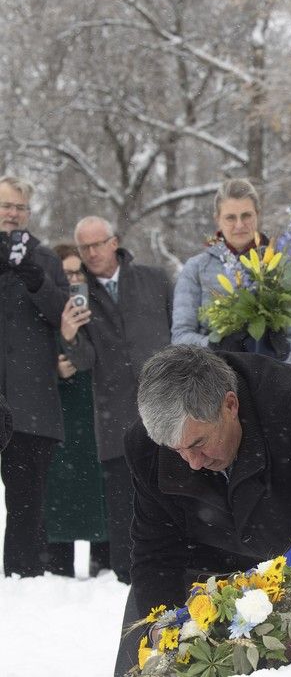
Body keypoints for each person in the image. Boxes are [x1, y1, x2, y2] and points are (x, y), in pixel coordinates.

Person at [115, 345, 291, 675]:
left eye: (197, 444)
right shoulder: (146, 445)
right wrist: (158, 625)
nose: (191, 462)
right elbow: (156, 552)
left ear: (230, 405)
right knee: (161, 636)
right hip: (215, 521)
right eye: (176, 450)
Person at [58, 217, 174, 583]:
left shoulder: (154, 279)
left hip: (165, 402)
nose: (92, 253)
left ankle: (180, 561)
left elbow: (179, 332)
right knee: (123, 499)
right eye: (84, 248)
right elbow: (85, 361)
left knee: (174, 487)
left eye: (98, 244)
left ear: (115, 242)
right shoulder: (78, 293)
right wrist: (70, 335)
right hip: (113, 409)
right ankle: (128, 574)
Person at [0, 175, 68, 577]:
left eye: (19, 208)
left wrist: (39, 283)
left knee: (26, 499)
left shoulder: (44, 259)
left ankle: (23, 575)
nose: (12, 214)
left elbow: (67, 316)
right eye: (6, 206)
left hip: (29, 401)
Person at [171, 178, 291, 362]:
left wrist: (285, 350)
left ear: (257, 214)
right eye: (230, 217)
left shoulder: (281, 266)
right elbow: (179, 339)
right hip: (216, 381)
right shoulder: (197, 268)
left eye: (246, 215)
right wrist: (213, 346)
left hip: (269, 379)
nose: (240, 225)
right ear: (217, 219)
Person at [44, 243, 109, 578]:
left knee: (101, 490)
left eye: (77, 272)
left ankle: (105, 567)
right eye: (65, 273)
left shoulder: (100, 307)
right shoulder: (43, 306)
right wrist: (52, 365)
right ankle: (58, 571)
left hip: (97, 411)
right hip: (60, 414)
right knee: (62, 493)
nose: (72, 280)